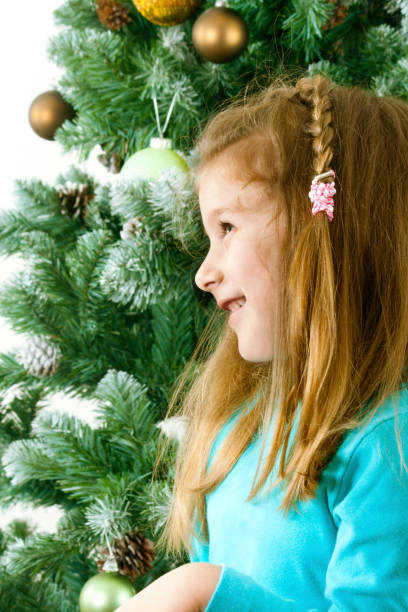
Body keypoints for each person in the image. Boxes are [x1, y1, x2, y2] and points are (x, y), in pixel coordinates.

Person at [117, 74, 408, 611]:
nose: (204, 274)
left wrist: (203, 592)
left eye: (227, 227)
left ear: (320, 229)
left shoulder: (388, 441)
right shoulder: (234, 426)